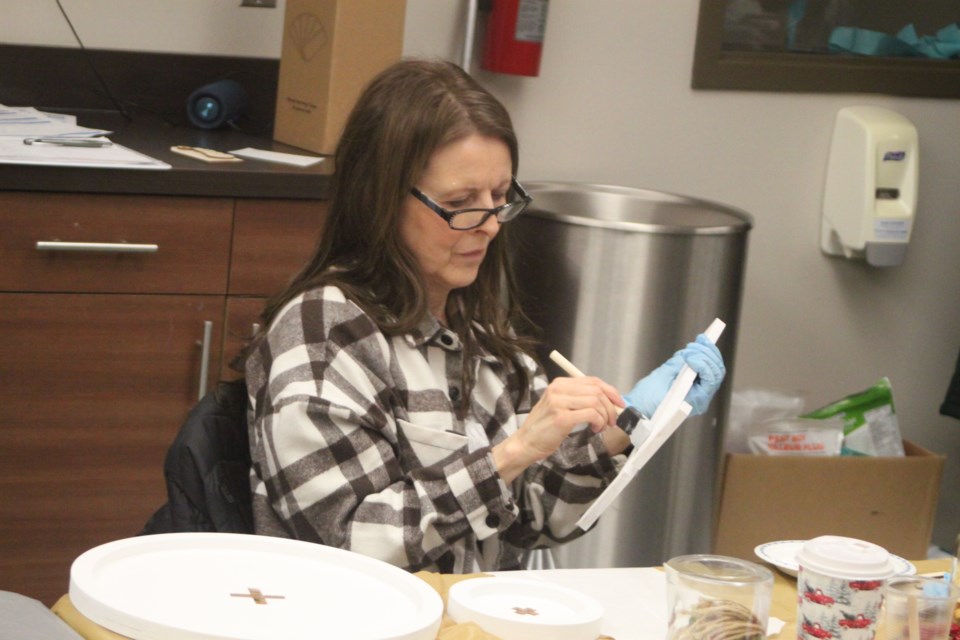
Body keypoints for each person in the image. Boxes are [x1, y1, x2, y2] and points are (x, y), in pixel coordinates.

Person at [244, 58, 725, 574]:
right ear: (380, 198)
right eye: (461, 203)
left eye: (500, 198)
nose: (490, 226)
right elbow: (342, 545)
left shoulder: (480, 335)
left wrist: (626, 424)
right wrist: (510, 455)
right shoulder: (323, 335)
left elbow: (539, 521)